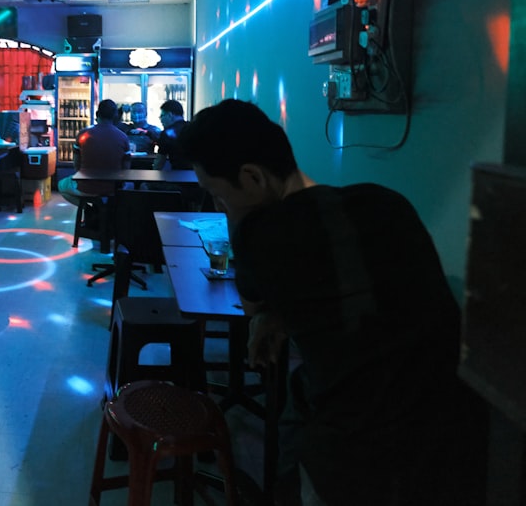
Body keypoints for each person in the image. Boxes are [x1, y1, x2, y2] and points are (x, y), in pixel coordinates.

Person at [179, 99, 472, 506]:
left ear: (252, 177)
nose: (216, 205)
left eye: (216, 193)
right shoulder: (386, 202)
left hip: (363, 449)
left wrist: (240, 226)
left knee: (296, 432)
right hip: (459, 424)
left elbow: (250, 305)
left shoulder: (263, 237)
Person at [57, 99, 129, 207]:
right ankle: (107, 210)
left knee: (61, 185)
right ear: (115, 116)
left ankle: (89, 209)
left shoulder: (83, 134)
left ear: (97, 114)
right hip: (112, 188)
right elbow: (126, 169)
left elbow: (76, 165)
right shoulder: (123, 137)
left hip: (86, 187)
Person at [153, 99, 192, 170]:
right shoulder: (194, 127)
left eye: (162, 116)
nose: (161, 119)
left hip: (177, 175)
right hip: (198, 176)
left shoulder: (166, 133)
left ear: (170, 115)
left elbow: (160, 161)